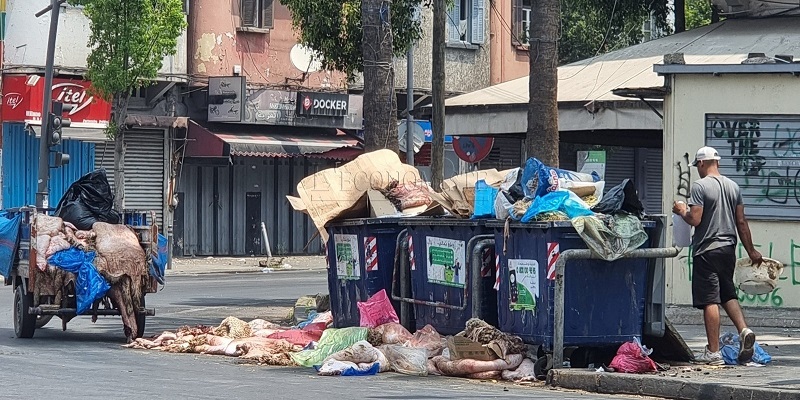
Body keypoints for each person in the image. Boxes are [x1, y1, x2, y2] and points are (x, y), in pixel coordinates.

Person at [672, 146, 764, 365]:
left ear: (702, 164)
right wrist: (751, 250)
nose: (697, 170)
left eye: (697, 166)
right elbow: (741, 222)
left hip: (707, 249)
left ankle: (713, 353)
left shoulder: (699, 186)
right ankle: (744, 331)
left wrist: (681, 210)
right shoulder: (733, 186)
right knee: (727, 293)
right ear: (718, 162)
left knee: (709, 299)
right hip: (728, 249)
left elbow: (695, 219)